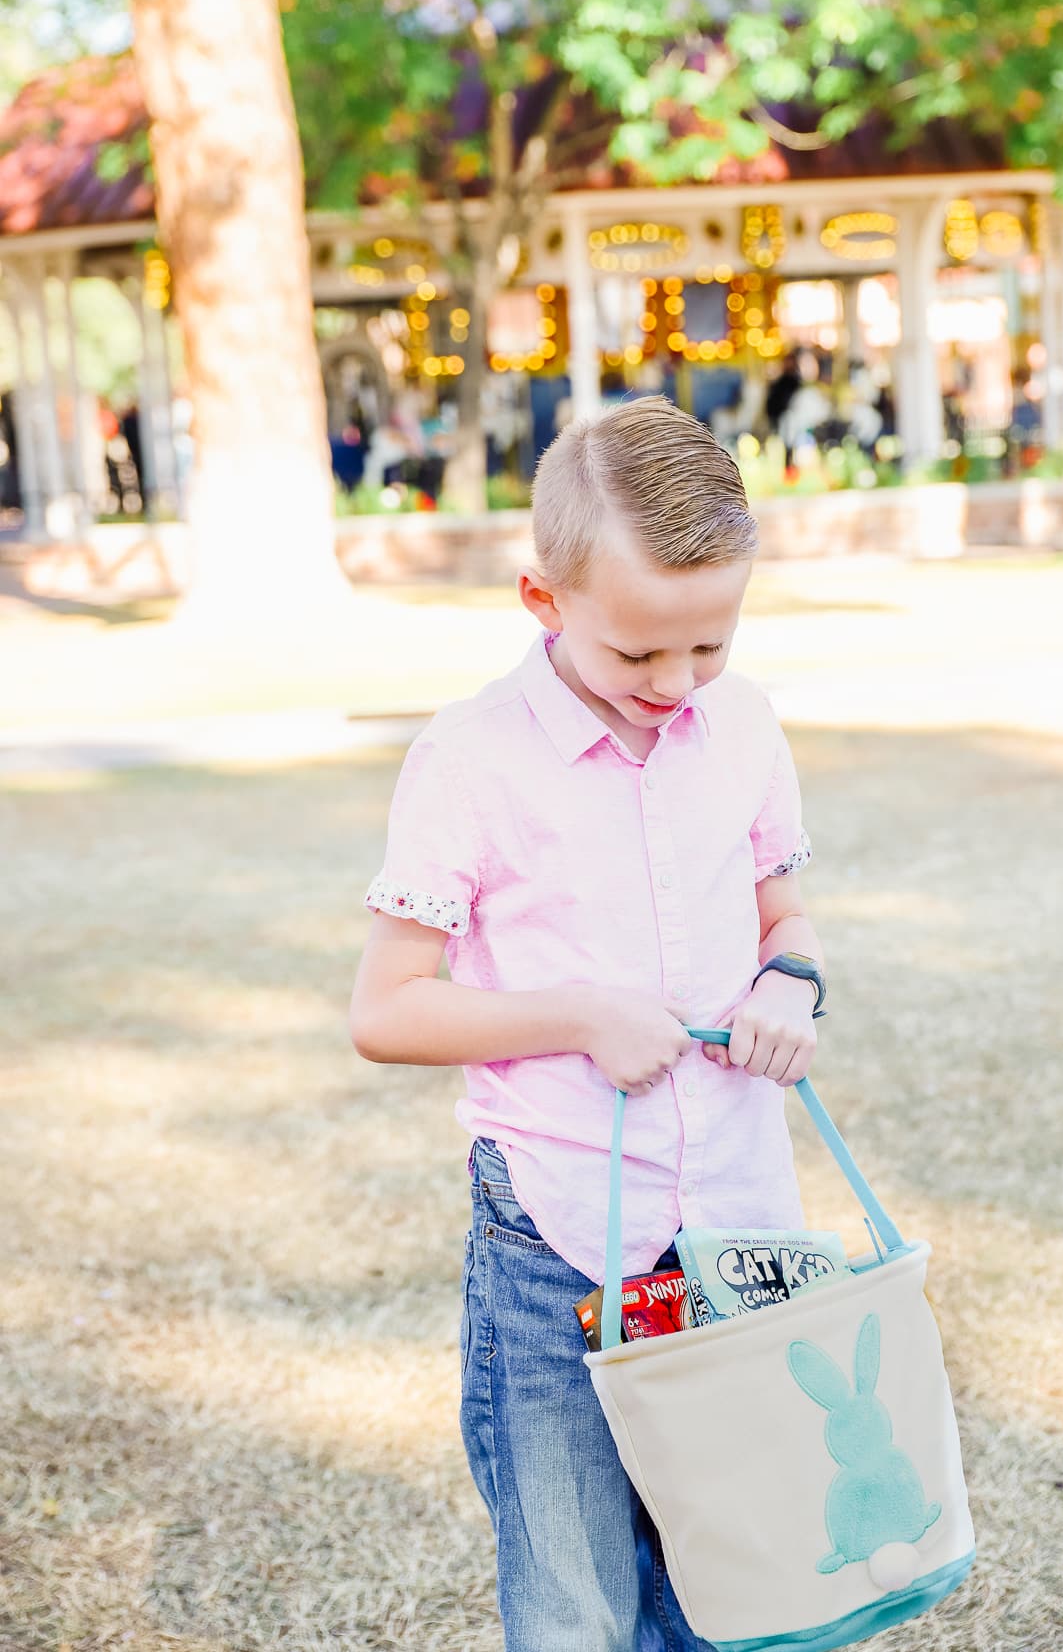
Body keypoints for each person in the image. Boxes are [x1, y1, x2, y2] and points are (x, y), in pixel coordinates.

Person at [350, 395, 825, 1652]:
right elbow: (385, 1011)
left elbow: (789, 923)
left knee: (730, 1588)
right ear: (541, 599)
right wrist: (578, 1016)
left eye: (707, 648)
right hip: (556, 1238)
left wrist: (794, 985)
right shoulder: (469, 761)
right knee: (574, 1605)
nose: (675, 686)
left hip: (733, 1229)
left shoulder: (749, 727)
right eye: (637, 656)